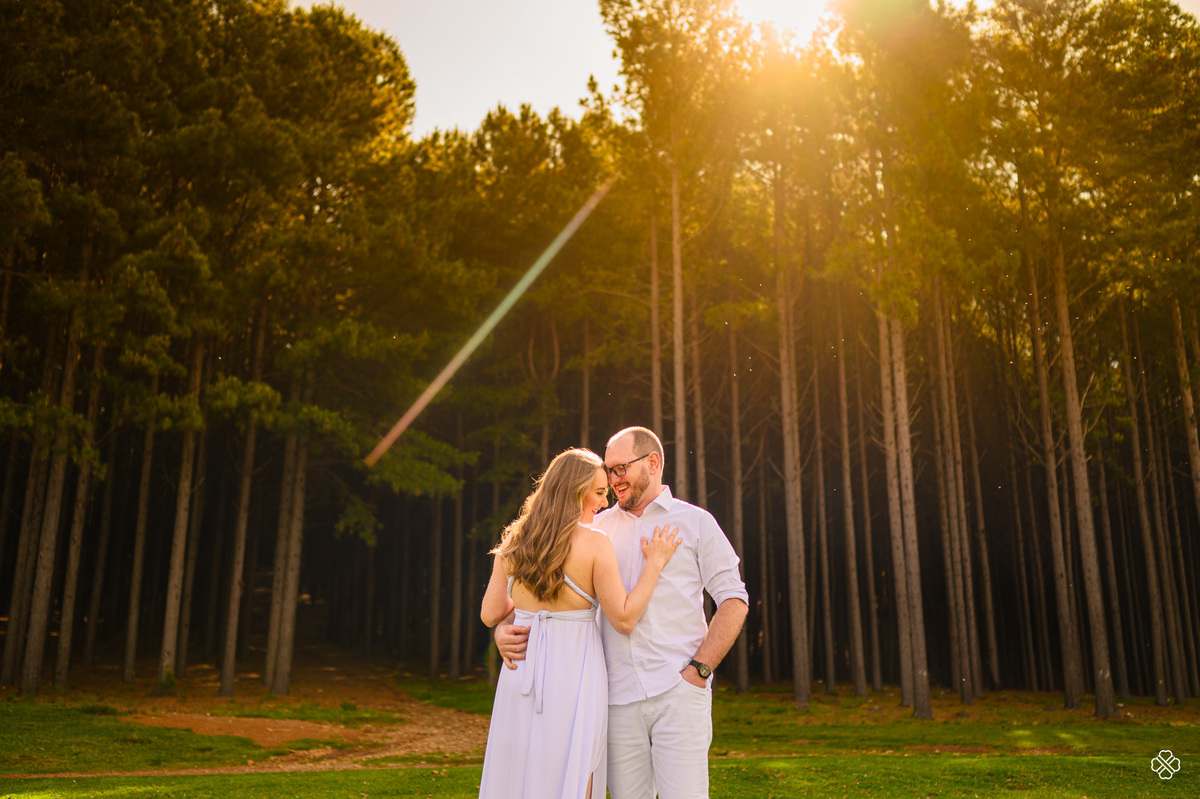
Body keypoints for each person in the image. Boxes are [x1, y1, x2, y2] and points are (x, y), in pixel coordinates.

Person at [497, 427, 750, 798]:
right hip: (614, 698)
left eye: (620, 469)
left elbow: (733, 598)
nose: (613, 480)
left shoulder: (696, 522)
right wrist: (504, 628)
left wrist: (700, 669)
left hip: (678, 691)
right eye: (608, 470)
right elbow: (537, 592)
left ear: (653, 462)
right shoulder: (592, 528)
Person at [479, 447, 681, 799]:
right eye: (600, 492)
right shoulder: (594, 544)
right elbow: (623, 617)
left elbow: (490, 613)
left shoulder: (515, 539)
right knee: (575, 769)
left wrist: (510, 624)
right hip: (574, 675)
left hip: (521, 673)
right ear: (576, 491)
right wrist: (654, 564)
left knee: (518, 771)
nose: (604, 503)